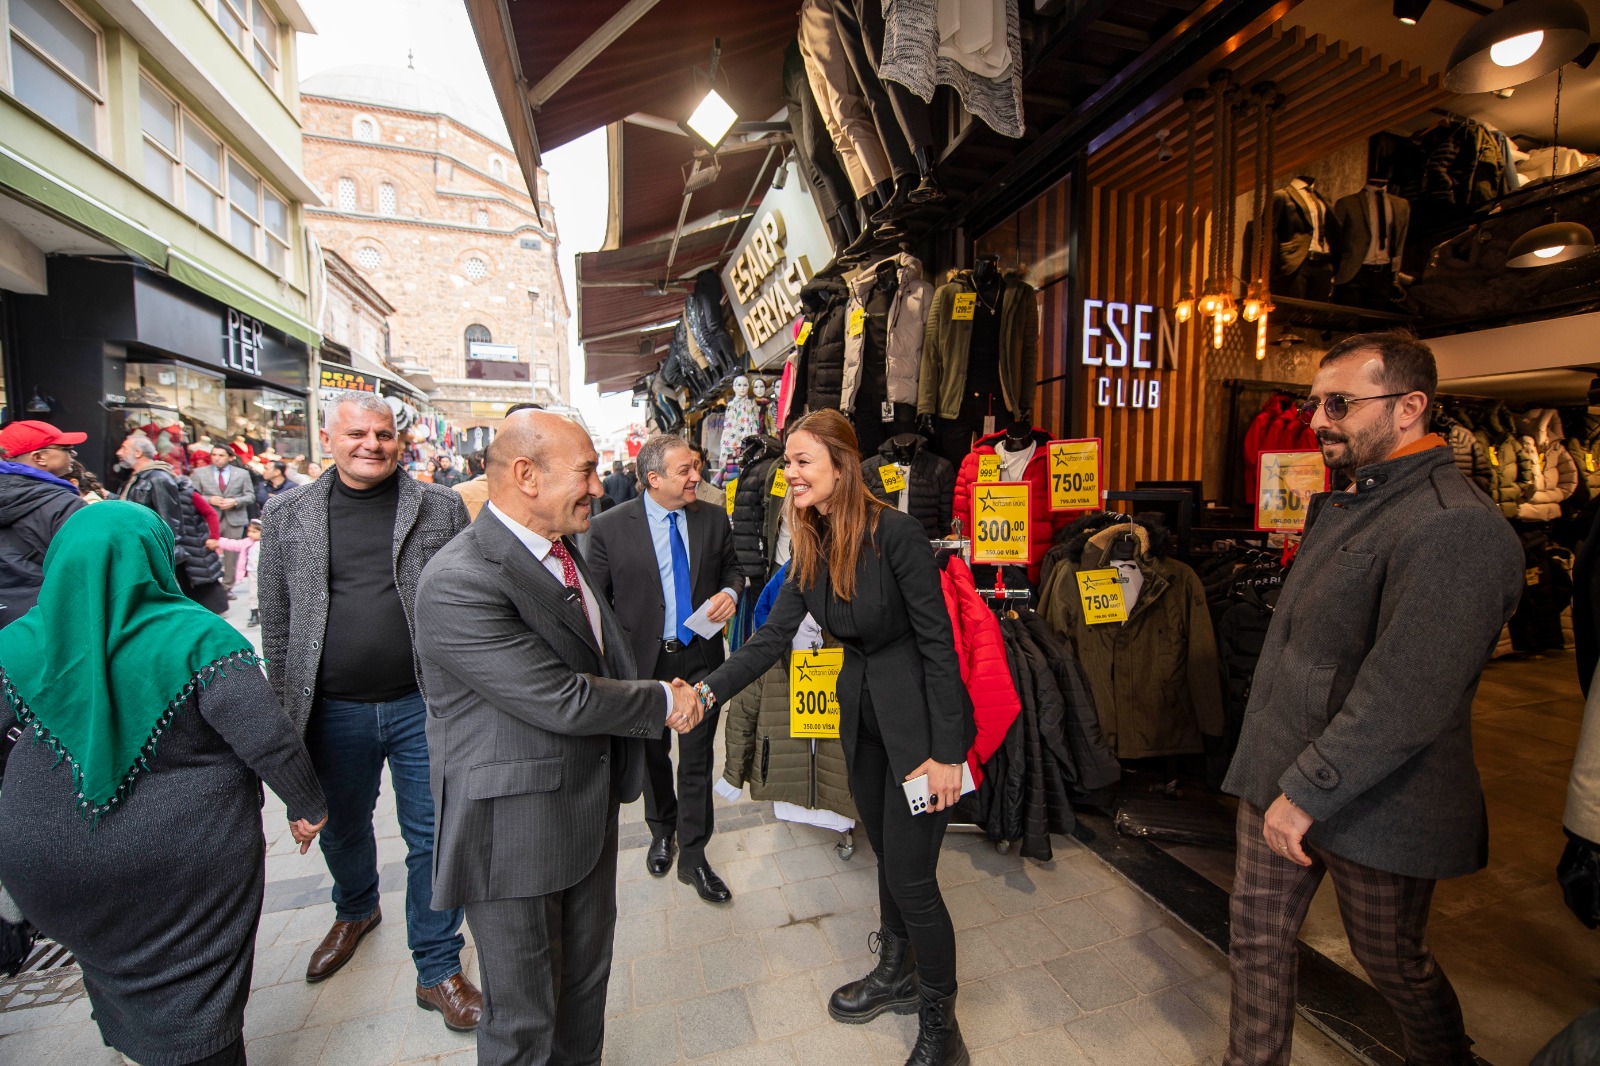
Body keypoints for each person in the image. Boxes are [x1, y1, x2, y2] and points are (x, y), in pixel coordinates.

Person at [1221, 332, 1524, 1066]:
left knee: (1392, 960)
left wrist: (1310, 788)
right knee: (1257, 939)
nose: (1318, 419)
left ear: (1410, 407)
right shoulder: (1354, 499)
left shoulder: (1456, 526)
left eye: (1339, 403)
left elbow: (1408, 693)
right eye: (1314, 403)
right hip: (1279, 776)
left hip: (1376, 796)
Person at [412, 409, 704, 1066]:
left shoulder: (560, 547)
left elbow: (602, 655)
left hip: (583, 807)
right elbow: (558, 695)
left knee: (584, 987)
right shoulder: (460, 580)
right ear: (525, 475)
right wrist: (663, 700)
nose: (600, 488)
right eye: (587, 473)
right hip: (515, 832)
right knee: (523, 1020)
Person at [689, 409, 975, 1066]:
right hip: (863, 724)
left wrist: (948, 755)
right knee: (889, 862)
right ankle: (896, 972)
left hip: (918, 733)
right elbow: (767, 639)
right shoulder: (810, 542)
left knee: (914, 879)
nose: (788, 473)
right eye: (786, 462)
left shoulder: (898, 534)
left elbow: (938, 645)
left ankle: (942, 1029)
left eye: (800, 461)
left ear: (842, 466)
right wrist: (708, 693)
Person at [0, 502, 327, 1066]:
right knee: (196, 984)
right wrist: (308, 803)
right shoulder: (199, 640)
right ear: (154, 557)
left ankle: (140, 1047)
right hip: (180, 867)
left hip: (46, 868)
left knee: (112, 967)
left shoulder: (17, 644)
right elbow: (267, 738)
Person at [257, 392, 482, 1030]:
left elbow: (468, 595)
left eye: (384, 434)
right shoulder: (287, 511)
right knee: (343, 827)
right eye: (358, 433)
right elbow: (276, 622)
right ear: (328, 438)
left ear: (399, 440)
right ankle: (356, 908)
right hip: (331, 709)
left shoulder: (438, 506)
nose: (373, 445)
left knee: (433, 835)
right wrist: (284, 719)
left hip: (422, 702)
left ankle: (438, 967)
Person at [586, 434, 741, 902]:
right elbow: (597, 603)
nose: (697, 476)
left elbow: (734, 570)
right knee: (653, 757)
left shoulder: (713, 518)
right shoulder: (609, 527)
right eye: (685, 471)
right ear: (653, 479)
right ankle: (661, 831)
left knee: (697, 758)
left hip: (701, 658)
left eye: (696, 466)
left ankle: (694, 857)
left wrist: (731, 594)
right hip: (643, 666)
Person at [118, 434, 229, 614]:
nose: (119, 452)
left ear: (138, 452)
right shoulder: (140, 478)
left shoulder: (159, 478)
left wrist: (174, 547)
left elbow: (171, 517)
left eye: (124, 448)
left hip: (170, 547)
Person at [0, 420, 87, 630]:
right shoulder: (64, 504)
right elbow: (84, 569)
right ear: (39, 457)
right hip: (44, 621)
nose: (72, 456)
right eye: (67, 450)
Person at [193, 445, 254, 590]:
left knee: (231, 555)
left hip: (234, 518)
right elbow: (192, 495)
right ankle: (208, 586)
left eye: (221, 455)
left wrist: (235, 501)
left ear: (230, 457)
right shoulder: (199, 473)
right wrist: (208, 499)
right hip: (208, 518)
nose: (217, 458)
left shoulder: (242, 474)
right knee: (205, 551)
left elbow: (250, 496)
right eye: (214, 455)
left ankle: (227, 587)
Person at [217, 519, 262, 627]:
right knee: (253, 594)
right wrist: (218, 541)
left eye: (254, 532)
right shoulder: (247, 543)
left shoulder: (269, 543)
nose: (250, 534)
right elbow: (233, 544)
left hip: (266, 573)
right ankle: (254, 613)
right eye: (249, 531)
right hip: (253, 572)